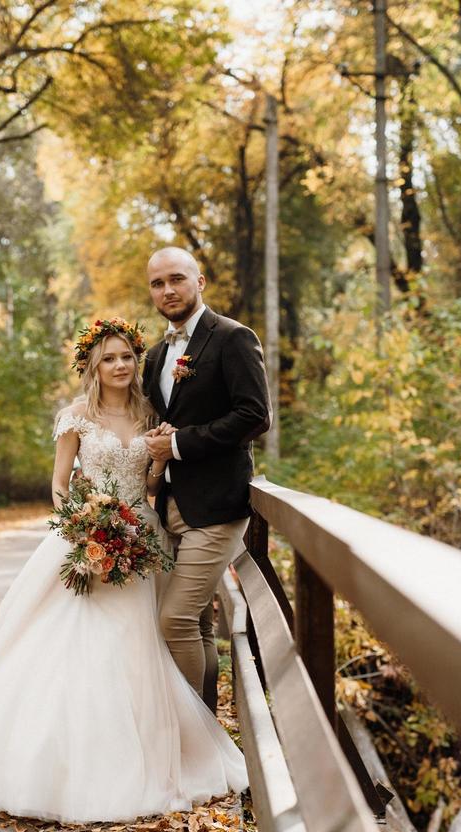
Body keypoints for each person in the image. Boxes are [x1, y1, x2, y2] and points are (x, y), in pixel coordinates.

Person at [0, 318, 248, 824]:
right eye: (108, 358)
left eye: (127, 356)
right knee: (73, 644)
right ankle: (54, 765)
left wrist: (154, 461)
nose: (121, 366)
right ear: (93, 365)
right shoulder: (75, 417)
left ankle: (152, 752)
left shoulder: (150, 412)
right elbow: (61, 485)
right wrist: (87, 528)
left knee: (140, 646)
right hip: (87, 534)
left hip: (142, 537)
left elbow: (152, 482)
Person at [143, 247, 271, 714]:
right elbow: (162, 417)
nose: (167, 290)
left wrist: (179, 444)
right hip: (172, 505)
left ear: (201, 281)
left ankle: (193, 736)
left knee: (172, 620)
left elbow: (255, 416)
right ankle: (212, 731)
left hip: (218, 506)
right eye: (157, 283)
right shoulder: (156, 355)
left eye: (176, 279)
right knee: (196, 625)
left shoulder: (233, 338)